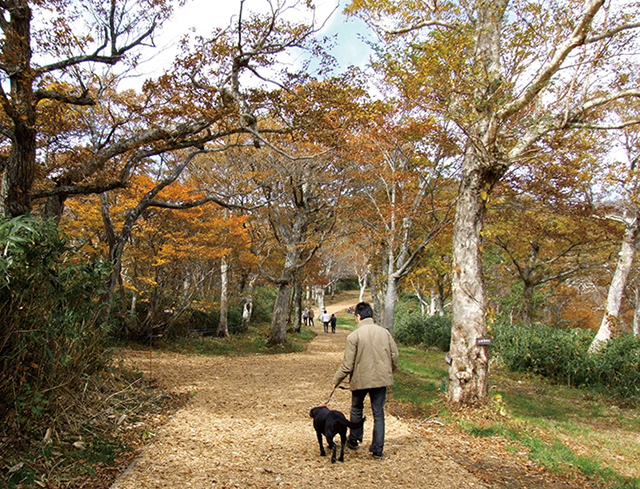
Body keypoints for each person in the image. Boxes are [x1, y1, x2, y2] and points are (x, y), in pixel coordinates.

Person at [332, 302, 399, 459]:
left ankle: (354, 440)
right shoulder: (385, 333)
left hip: (360, 380)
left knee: (356, 409)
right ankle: (378, 449)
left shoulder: (354, 336)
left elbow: (347, 365)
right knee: (378, 413)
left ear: (358, 316)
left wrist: (336, 380)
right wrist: (390, 371)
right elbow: (394, 356)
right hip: (381, 379)